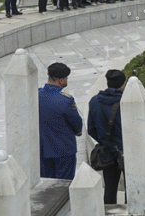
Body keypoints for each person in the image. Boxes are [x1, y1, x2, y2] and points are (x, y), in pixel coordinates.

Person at [38, 62, 83, 179]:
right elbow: (77, 123)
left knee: (47, 184)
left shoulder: (37, 95)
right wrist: (78, 132)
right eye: (66, 78)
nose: (67, 80)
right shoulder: (65, 100)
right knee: (64, 185)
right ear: (61, 80)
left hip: (43, 149)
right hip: (64, 150)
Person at [88, 69, 126, 204]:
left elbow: (91, 129)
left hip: (107, 152)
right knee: (132, 189)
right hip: (126, 151)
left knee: (109, 189)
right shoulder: (125, 102)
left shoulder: (94, 101)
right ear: (122, 85)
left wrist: (105, 141)